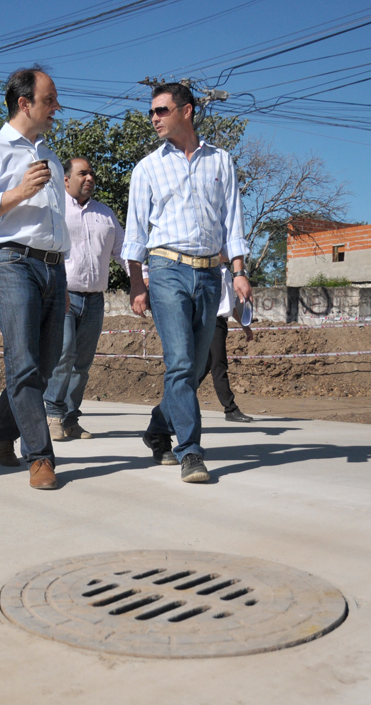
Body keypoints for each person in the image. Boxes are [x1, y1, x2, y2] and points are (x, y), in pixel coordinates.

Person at [124, 82, 251, 484]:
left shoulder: (221, 162)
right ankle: (190, 451)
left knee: (195, 367)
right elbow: (134, 234)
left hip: (210, 273)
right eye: (151, 112)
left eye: (161, 110)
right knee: (179, 362)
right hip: (166, 270)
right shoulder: (147, 168)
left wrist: (239, 270)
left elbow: (233, 219)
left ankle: (158, 427)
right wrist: (135, 284)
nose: (154, 118)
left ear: (187, 111)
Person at [0, 67, 69, 490]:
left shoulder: (51, 154)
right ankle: (40, 457)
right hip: (12, 262)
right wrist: (18, 193)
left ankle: (2, 429)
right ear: (24, 103)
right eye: (50, 99)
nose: (57, 107)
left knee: (41, 365)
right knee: (22, 360)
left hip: (54, 267)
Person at [44, 157, 123, 442]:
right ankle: (51, 413)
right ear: (65, 180)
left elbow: (122, 251)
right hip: (62, 296)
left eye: (91, 173)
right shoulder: (55, 209)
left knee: (82, 364)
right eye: (82, 173)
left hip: (94, 301)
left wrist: (143, 280)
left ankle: (69, 417)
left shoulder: (105, 214)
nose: (89, 178)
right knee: (63, 355)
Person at [204, 265, 255, 423]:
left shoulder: (225, 273)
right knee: (219, 365)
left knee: (201, 368)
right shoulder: (207, 270)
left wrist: (245, 326)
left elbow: (230, 305)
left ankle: (172, 406)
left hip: (220, 323)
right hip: (209, 322)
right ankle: (230, 409)